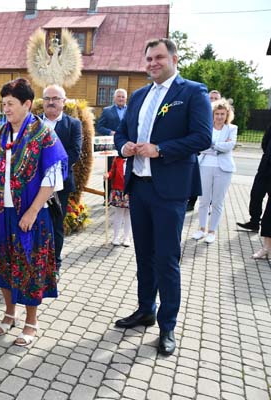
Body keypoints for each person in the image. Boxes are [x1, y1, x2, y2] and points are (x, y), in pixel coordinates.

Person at [113, 38, 212, 356]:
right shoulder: (139, 96)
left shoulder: (192, 92)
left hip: (169, 191)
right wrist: (124, 146)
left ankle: (167, 326)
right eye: (148, 59)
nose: (153, 63)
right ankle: (146, 310)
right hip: (139, 187)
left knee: (166, 259)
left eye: (159, 57)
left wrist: (161, 149)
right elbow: (121, 132)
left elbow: (203, 137)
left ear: (174, 59)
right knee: (144, 256)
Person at [0, 78, 68, 347]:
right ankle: (9, 313)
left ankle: (31, 322)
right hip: (0, 213)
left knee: (30, 268)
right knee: (3, 264)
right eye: (3, 104)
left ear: (27, 104)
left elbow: (52, 178)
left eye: (11, 104)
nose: (5, 109)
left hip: (30, 216)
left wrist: (32, 212)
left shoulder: (43, 135)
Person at [41, 84, 82, 270]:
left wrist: (51, 172)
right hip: (34, 183)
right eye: (47, 98)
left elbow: (74, 152)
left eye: (55, 98)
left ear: (63, 102)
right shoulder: (33, 122)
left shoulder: (73, 124)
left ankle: (54, 264)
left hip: (60, 184)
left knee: (56, 224)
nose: (51, 102)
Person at [191, 98, 237, 244]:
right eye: (217, 113)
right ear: (212, 114)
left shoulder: (232, 129)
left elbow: (229, 146)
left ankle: (212, 231)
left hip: (224, 169)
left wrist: (211, 145)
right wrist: (219, 146)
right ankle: (201, 229)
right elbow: (201, 146)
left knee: (217, 202)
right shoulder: (206, 128)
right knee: (203, 200)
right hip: (204, 166)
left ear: (227, 115)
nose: (219, 117)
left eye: (222, 114)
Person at [186, 89, 223, 211]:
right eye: (211, 98)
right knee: (194, 178)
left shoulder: (222, 116)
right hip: (198, 153)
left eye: (215, 98)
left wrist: (214, 146)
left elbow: (224, 142)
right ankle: (191, 202)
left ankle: (210, 204)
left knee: (212, 183)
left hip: (215, 158)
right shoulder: (200, 112)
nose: (213, 100)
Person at [237, 123, 271, 232]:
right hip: (265, 167)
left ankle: (267, 228)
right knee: (256, 194)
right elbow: (265, 142)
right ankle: (254, 222)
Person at [97, 88, 127, 201]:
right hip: (111, 145)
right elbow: (99, 127)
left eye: (123, 97)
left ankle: (124, 197)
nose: (121, 98)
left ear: (126, 99)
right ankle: (107, 197)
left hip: (126, 145)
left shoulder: (131, 110)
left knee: (124, 171)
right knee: (109, 171)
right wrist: (110, 132)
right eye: (118, 96)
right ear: (114, 98)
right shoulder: (107, 111)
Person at [106, 156, 131, 247]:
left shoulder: (135, 159)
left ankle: (126, 238)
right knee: (118, 214)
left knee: (128, 215)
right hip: (118, 190)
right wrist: (107, 175)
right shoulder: (117, 159)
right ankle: (115, 237)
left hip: (130, 190)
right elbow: (112, 172)